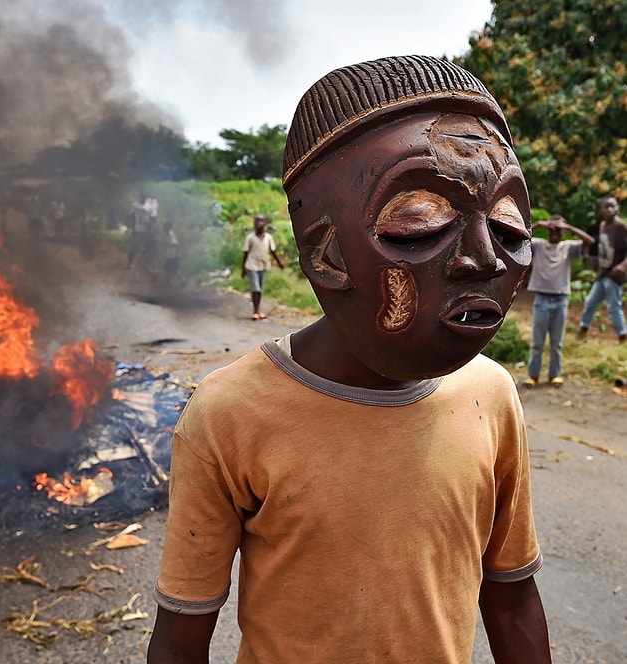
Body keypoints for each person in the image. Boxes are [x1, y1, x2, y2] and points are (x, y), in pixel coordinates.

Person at [148, 55, 550, 663]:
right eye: (420, 223)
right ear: (325, 256)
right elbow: (180, 641)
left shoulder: (489, 395)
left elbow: (513, 600)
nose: (486, 258)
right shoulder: (229, 414)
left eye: (508, 226)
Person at [523, 215, 594, 387]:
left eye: (558, 230)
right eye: (552, 229)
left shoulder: (568, 247)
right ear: (547, 230)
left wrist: (568, 227)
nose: (555, 232)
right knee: (537, 343)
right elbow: (522, 237)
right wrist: (539, 223)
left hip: (560, 300)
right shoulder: (539, 245)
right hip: (541, 300)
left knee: (557, 343)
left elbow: (590, 241)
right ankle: (533, 376)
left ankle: (555, 375)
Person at [576, 196, 627, 343]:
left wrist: (622, 266)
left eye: (613, 206)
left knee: (613, 306)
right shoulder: (603, 225)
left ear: (617, 208)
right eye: (607, 206)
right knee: (590, 302)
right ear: (601, 210)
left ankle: (623, 337)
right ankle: (583, 331)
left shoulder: (621, 227)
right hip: (603, 272)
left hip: (614, 274)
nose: (610, 209)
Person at [240, 213, 284, 320]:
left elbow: (272, 251)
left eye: (261, 221)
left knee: (259, 289)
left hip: (263, 266)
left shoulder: (268, 238)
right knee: (255, 288)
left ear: (264, 223)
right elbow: (245, 253)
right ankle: (255, 312)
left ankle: (258, 310)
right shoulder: (250, 238)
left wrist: (279, 263)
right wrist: (243, 269)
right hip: (251, 265)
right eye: (257, 221)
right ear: (254, 223)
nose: (259, 223)